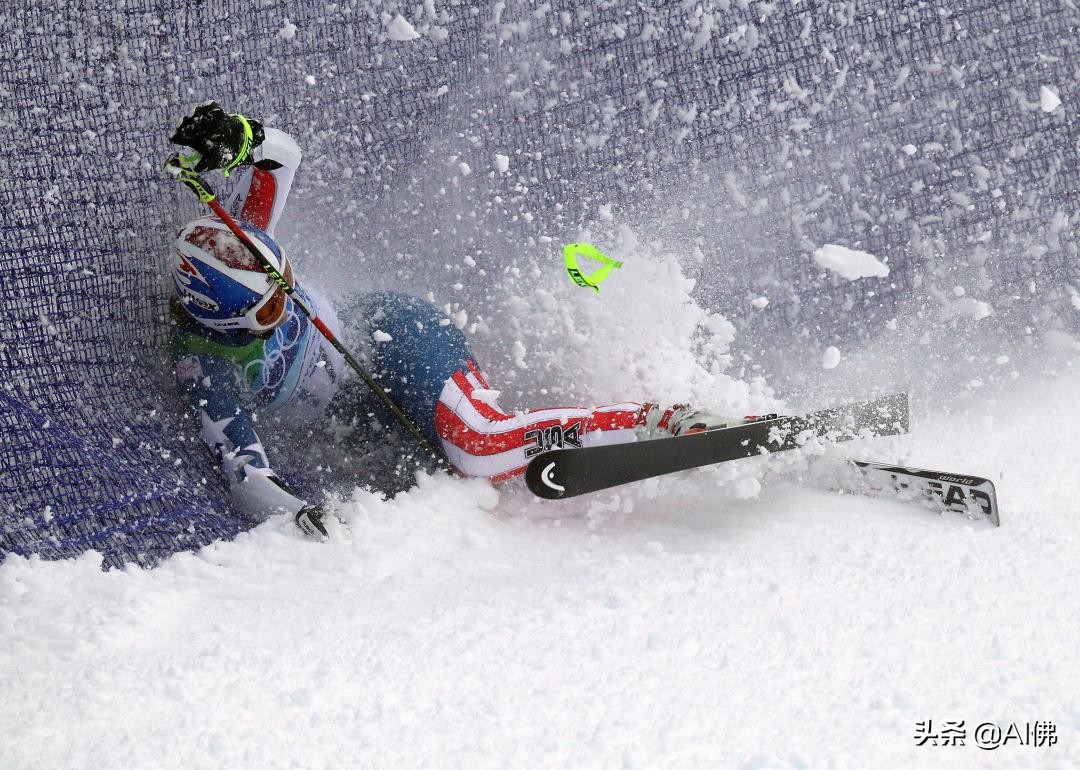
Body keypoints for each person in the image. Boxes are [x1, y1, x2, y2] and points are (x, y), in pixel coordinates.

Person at [165, 102, 741, 538]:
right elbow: (246, 476)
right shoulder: (210, 370)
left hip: (397, 340)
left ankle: (662, 420)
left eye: (287, 283)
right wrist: (299, 518)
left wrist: (239, 138)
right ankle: (592, 433)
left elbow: (279, 156)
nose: (288, 304)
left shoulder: (241, 236)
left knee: (478, 446)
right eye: (270, 311)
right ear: (221, 320)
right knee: (455, 469)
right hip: (366, 415)